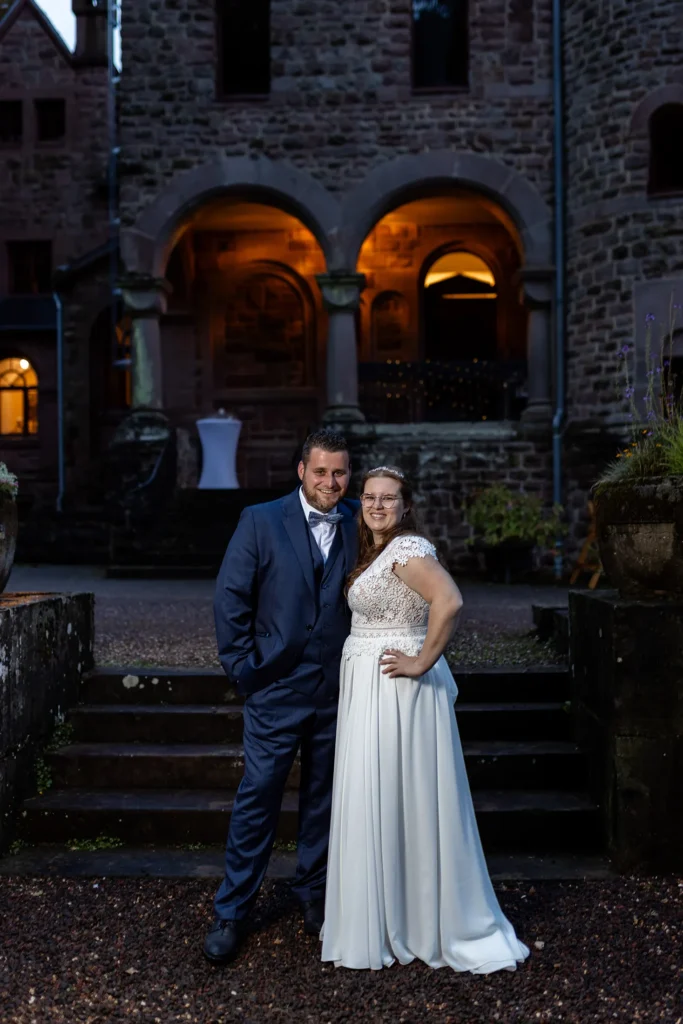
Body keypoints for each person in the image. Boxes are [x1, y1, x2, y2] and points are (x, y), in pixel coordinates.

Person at [321, 466, 530, 973]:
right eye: (370, 497)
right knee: (378, 793)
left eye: (388, 498)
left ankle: (419, 920)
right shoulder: (375, 551)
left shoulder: (408, 548)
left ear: (405, 505)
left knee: (402, 791)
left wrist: (421, 662)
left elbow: (449, 600)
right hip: (370, 689)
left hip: (397, 691)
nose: (377, 506)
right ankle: (386, 915)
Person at [204, 429, 359, 965]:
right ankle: (232, 910)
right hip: (276, 687)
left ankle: (313, 892)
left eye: (339, 472)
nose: (330, 482)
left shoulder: (362, 519)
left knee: (324, 797)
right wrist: (243, 669)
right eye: (321, 472)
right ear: (301, 471)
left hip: (339, 688)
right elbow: (231, 597)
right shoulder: (261, 520)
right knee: (259, 795)